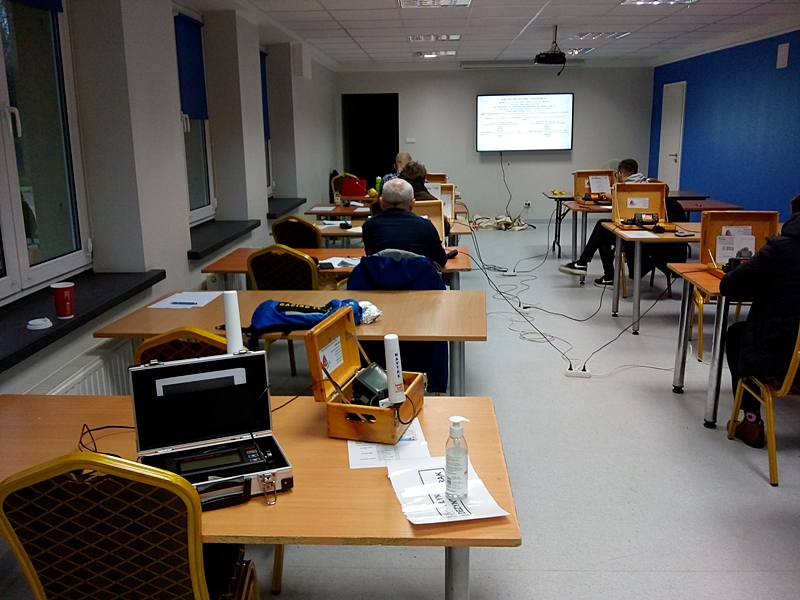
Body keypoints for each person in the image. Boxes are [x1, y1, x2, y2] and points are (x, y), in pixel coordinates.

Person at [722, 194, 800, 448]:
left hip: (783, 358)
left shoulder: (780, 249)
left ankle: (752, 421)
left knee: (737, 335)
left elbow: (730, 286)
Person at [558, 158, 647, 288]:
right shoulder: (646, 184)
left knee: (601, 227)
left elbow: (626, 206)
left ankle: (584, 263)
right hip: (644, 231)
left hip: (631, 233)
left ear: (620, 174)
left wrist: (613, 198)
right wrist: (613, 198)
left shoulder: (625, 187)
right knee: (603, 235)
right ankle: (604, 275)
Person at [362, 178, 448, 268]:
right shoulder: (426, 226)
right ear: (412, 204)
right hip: (419, 277)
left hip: (379, 277)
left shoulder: (369, 226)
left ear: (381, 202)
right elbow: (441, 261)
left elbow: (371, 257)